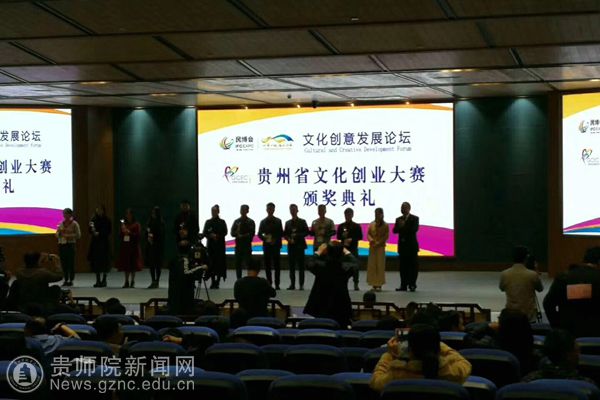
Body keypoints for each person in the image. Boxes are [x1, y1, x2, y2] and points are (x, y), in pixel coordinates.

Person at [370, 323, 472, 392]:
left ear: (410, 350)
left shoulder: (396, 375)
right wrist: (436, 343)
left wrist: (389, 354)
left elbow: (375, 381)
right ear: (437, 348)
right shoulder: (453, 372)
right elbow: (464, 362)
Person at [543, 246, 600, 338]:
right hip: (596, 334)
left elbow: (548, 304)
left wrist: (557, 326)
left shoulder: (564, 277)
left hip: (567, 334)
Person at [304, 241, 358, 328]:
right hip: (340, 305)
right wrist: (346, 252)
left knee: (321, 328)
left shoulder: (320, 266)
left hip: (321, 304)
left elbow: (309, 263)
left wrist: (318, 252)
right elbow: (355, 263)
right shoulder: (345, 268)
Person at [522, 329, 595, 384]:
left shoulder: (527, 381)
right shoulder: (588, 387)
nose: (579, 355)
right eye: (577, 351)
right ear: (568, 355)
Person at [499, 246, 544, 322]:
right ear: (526, 258)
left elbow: (502, 288)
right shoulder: (532, 275)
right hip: (528, 315)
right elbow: (540, 289)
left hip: (510, 314)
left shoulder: (504, 274)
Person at [393, 202, 419, 292]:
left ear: (409, 208)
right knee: (403, 267)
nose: (402, 209)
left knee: (413, 267)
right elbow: (394, 230)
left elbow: (414, 229)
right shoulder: (398, 219)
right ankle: (403, 285)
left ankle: (412, 284)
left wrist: (403, 226)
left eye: (404, 208)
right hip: (402, 247)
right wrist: (399, 226)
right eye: (401, 208)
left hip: (412, 247)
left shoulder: (414, 218)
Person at [337, 207, 363, 291]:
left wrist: (352, 239)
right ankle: (343, 283)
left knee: (355, 267)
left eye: (349, 214)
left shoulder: (356, 226)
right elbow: (338, 237)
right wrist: (342, 237)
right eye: (346, 215)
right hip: (344, 249)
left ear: (352, 215)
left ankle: (356, 283)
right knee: (343, 266)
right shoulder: (341, 226)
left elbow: (360, 237)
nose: (347, 216)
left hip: (353, 248)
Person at [258, 202, 283, 289]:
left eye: (271, 209)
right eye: (268, 209)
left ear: (274, 210)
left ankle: (277, 284)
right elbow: (259, 234)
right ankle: (269, 283)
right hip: (267, 246)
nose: (270, 210)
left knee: (277, 266)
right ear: (266, 210)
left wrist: (275, 240)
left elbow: (281, 233)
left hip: (276, 246)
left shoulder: (278, 221)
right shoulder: (263, 222)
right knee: (267, 266)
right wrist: (265, 239)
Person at [284, 204, 309, 290]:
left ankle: (301, 285)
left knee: (301, 267)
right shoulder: (287, 223)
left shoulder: (302, 221)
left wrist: (297, 235)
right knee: (291, 267)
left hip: (300, 246)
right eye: (291, 210)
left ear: (297, 210)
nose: (293, 211)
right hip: (291, 246)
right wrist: (288, 239)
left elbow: (306, 232)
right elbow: (285, 234)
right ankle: (292, 284)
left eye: (294, 210)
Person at [116, 208, 143, 288]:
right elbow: (120, 235)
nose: (128, 216)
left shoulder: (136, 224)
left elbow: (138, 236)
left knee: (133, 264)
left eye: (129, 214)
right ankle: (126, 281)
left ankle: (132, 281)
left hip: (133, 246)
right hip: (125, 247)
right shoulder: (123, 224)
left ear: (132, 215)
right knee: (126, 264)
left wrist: (130, 233)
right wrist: (122, 231)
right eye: (127, 214)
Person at [202, 204, 228, 289]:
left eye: (215, 211)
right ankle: (213, 281)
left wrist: (217, 236)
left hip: (220, 246)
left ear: (218, 212)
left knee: (220, 264)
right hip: (211, 246)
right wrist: (210, 236)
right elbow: (205, 233)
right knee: (211, 264)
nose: (213, 212)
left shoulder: (222, 222)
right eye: (212, 211)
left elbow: (225, 232)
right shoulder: (208, 222)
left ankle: (218, 281)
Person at [56, 208, 81, 287]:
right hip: (62, 244)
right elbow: (57, 233)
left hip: (70, 245)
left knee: (71, 263)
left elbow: (78, 235)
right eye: (63, 213)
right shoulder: (61, 223)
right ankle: (66, 279)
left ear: (70, 214)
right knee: (64, 263)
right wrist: (58, 234)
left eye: (66, 213)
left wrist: (68, 235)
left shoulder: (74, 224)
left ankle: (71, 280)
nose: (64, 215)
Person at [88, 205, 112, 288]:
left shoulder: (107, 220)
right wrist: (92, 230)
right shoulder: (93, 219)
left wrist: (100, 233)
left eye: (100, 210)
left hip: (104, 243)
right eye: (97, 210)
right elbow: (90, 230)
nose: (99, 211)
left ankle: (104, 280)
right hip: (95, 243)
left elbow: (109, 231)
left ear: (103, 211)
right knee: (96, 262)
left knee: (105, 262)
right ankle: (97, 280)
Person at [231, 204, 256, 280]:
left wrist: (243, 236)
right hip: (238, 246)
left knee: (249, 264)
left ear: (247, 211)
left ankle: (249, 280)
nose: (242, 211)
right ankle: (238, 280)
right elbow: (232, 233)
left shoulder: (251, 222)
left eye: (244, 209)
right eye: (241, 209)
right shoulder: (236, 221)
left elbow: (252, 233)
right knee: (238, 265)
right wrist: (237, 232)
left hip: (247, 246)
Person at [367, 208, 389, 291]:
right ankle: (373, 284)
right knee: (372, 266)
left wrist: (379, 242)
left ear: (382, 214)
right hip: (372, 247)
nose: (377, 215)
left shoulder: (385, 225)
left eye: (378, 213)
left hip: (380, 247)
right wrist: (371, 240)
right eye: (375, 213)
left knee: (380, 265)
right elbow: (368, 234)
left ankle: (379, 284)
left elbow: (386, 235)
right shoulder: (371, 224)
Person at [145, 206, 165, 289]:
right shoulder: (150, 221)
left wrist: (154, 237)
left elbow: (162, 234)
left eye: (154, 212)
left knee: (158, 264)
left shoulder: (161, 222)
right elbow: (147, 230)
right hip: (151, 245)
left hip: (158, 246)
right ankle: (153, 280)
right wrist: (148, 236)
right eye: (152, 212)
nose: (153, 214)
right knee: (152, 264)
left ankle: (157, 281)